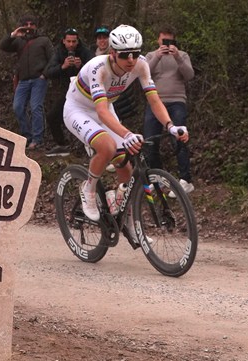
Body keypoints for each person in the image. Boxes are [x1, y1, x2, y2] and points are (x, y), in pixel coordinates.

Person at [63, 25, 189, 226]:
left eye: (135, 53)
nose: (131, 59)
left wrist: (171, 126)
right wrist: (128, 133)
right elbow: (102, 112)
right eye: (125, 55)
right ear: (112, 53)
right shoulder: (99, 67)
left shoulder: (141, 65)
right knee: (107, 146)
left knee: (125, 163)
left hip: (105, 106)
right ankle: (89, 188)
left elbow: (155, 100)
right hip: (78, 109)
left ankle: (125, 218)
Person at [143, 27, 196, 196]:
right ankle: (156, 177)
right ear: (158, 41)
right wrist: (158, 56)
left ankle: (185, 180)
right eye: (163, 41)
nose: (166, 44)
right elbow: (144, 74)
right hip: (155, 102)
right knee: (150, 140)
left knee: (179, 137)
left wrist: (177, 56)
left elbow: (189, 75)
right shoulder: (151, 56)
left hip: (176, 101)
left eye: (170, 41)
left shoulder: (182, 55)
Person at [0, 14, 53, 150]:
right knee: (17, 107)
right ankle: (27, 137)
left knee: (36, 107)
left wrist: (44, 74)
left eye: (32, 24)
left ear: (36, 25)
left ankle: (38, 139)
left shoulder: (44, 40)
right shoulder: (18, 41)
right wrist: (13, 34)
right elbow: (3, 46)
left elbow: (52, 59)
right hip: (23, 80)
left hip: (38, 79)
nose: (29, 27)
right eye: (26, 24)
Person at [44, 28, 94, 157]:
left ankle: (86, 146)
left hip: (85, 92)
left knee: (85, 118)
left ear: (78, 41)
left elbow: (95, 69)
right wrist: (63, 66)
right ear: (64, 41)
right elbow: (48, 72)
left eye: (74, 41)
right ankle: (62, 145)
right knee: (52, 116)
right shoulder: (59, 52)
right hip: (67, 91)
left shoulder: (85, 51)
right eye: (69, 41)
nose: (71, 44)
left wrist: (81, 67)